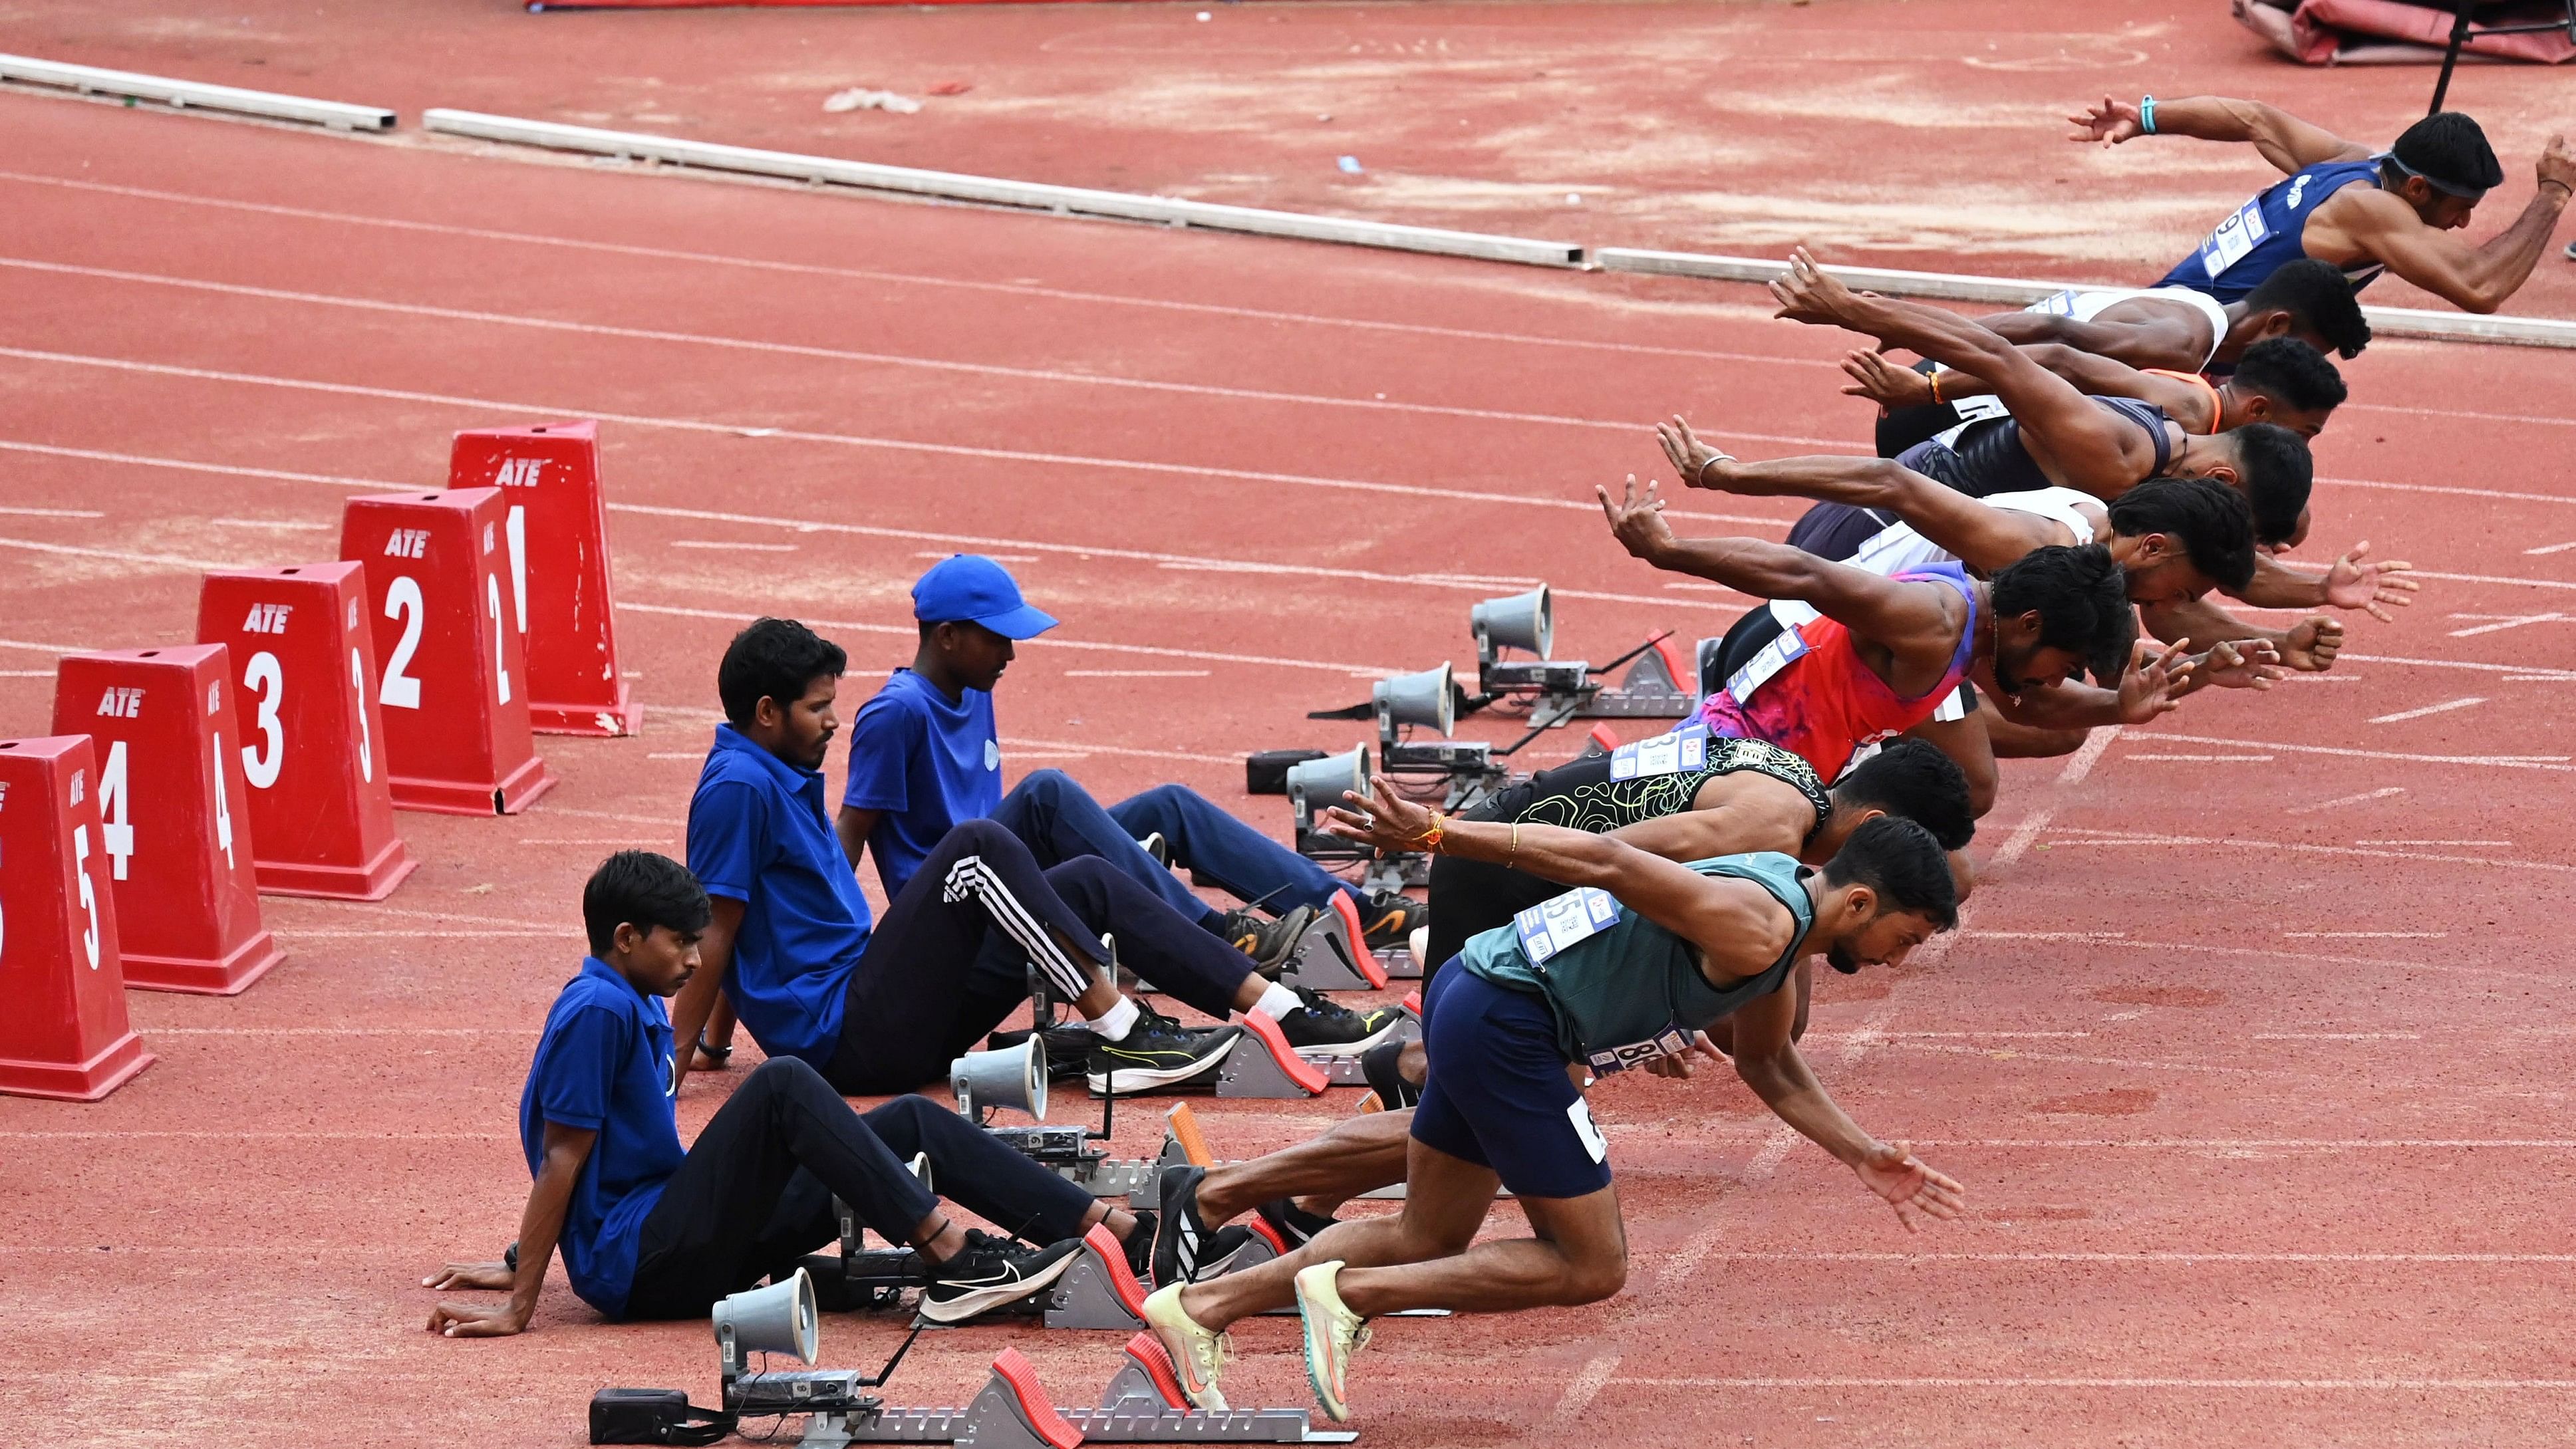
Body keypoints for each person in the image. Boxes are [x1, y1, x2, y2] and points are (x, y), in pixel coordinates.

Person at [1139, 781, 1967, 1422]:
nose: (1901, 958)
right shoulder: (1758, 925)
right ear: (1859, 903)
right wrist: (1438, 834)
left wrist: (1864, 1154)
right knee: (1592, 1263)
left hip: (1488, 998)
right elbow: (1605, 860)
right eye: (1910, 937)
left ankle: (1200, 1306)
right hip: (1513, 1024)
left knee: (1426, 1231)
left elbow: (1772, 1063)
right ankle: (1350, 1295)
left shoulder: (1785, 909)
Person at [672, 619, 1394, 1104]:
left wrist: (718, 1041)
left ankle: (1281, 1009)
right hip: (847, 1040)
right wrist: (676, 1063)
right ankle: (1123, 1030)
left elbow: (753, 918)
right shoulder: (738, 786)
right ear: (767, 711)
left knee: (1084, 881)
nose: (835, 721)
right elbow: (719, 928)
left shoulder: (777, 768)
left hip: (882, 1014)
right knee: (978, 846)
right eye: (817, 708)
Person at [420, 851, 1123, 1335]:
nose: (698, 961)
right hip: (641, 1268)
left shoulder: (626, 997)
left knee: (909, 1120)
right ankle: (952, 1257)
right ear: (627, 937)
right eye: (682, 944)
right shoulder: (597, 1011)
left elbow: (593, 1163)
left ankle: (1111, 1232)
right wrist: (522, 1296)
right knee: (781, 1081)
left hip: (671, 1233)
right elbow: (563, 1160)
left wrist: (521, 1255)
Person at [837, 555, 1423, 963]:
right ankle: (1212, 933)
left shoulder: (971, 690)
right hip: (954, 908)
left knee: (1169, 805)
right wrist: (851, 953)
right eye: (997, 638)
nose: (1011, 653)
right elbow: (851, 830)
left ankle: (1355, 910)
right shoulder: (897, 712)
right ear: (946, 637)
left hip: (1008, 875)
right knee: (1046, 793)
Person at [1600, 475, 2187, 817]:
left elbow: (2035, 712)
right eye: (2069, 665)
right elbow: (1804, 573)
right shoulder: (1933, 622)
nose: (2060, 680)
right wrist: (1670, 551)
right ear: (2031, 625)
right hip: (1720, 770)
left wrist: (2119, 709)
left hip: (1771, 773)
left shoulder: (1983, 624)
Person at [1769, 248, 2317, 549]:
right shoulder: (2129, 442)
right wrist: (1868, 321)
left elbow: (2056, 362)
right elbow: (2045, 352)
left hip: (1937, 481)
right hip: (1889, 514)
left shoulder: (2176, 428)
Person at [2071, 96, 2571, 314]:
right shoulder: (2370, 211)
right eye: (2459, 208)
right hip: (2187, 358)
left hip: (2164, 321)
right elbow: (2480, 288)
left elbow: (2252, 119)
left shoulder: (2353, 164)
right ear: (2416, 188)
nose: (2462, 223)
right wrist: (2552, 193)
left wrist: (2148, 117)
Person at [1872, 259, 2369, 455]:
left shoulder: (2190, 302)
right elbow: (2053, 337)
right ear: (2276, 325)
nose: (2291, 365)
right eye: (2299, 350)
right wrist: (1922, 338)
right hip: (1944, 411)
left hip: (1947, 385)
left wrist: (1927, 341)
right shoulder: (2183, 345)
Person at [1856, 333, 2351, 447]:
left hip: (1962, 403)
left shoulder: (2202, 403)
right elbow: (2057, 355)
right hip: (1938, 420)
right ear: (2259, 409)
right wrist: (1930, 388)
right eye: (2304, 434)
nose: (2303, 449)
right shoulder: (2186, 410)